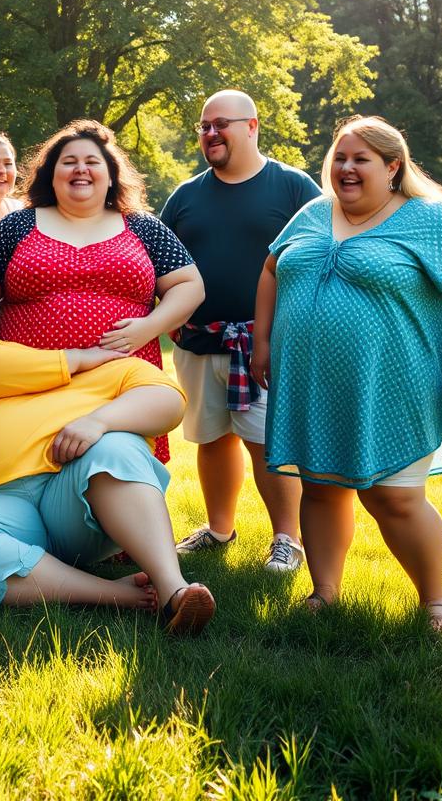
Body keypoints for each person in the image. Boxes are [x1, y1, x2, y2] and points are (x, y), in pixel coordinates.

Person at [251, 115, 442, 630]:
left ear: (393, 167)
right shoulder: (314, 213)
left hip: (395, 385)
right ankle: (325, 593)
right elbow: (273, 268)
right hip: (310, 383)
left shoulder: (426, 218)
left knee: (395, 496)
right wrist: (263, 340)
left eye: (360, 159)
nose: (346, 168)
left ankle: (435, 600)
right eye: (339, 158)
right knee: (320, 486)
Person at [0, 337, 216, 633]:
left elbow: (169, 399)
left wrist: (99, 421)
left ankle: (174, 591)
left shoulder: (120, 368)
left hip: (74, 501)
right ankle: (113, 594)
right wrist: (76, 359)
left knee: (118, 449)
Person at [0, 119, 204, 465]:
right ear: (50, 174)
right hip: (31, 381)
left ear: (111, 174)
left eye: (92, 162)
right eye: (68, 162)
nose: (80, 169)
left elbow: (190, 286)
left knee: (116, 466)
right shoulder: (18, 224)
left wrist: (149, 326)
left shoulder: (142, 225)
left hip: (120, 383)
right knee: (27, 466)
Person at [160, 90, 320, 571]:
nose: (211, 134)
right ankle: (219, 528)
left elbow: (321, 255)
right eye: (203, 126)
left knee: (266, 442)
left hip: (266, 346)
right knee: (212, 439)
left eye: (221, 124)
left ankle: (287, 539)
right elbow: (160, 261)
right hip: (199, 340)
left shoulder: (292, 187)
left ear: (252, 126)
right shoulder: (186, 195)